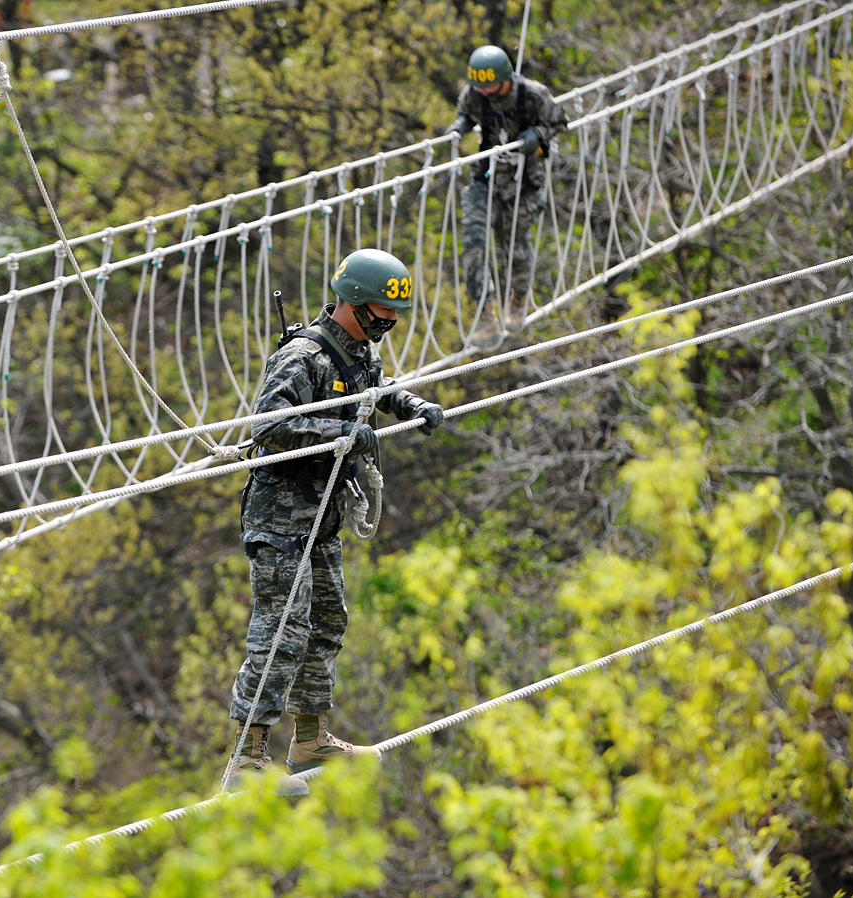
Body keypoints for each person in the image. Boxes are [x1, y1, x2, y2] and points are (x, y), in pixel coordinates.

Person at [223, 248, 446, 794]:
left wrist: (411, 404)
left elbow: (378, 387)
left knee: (327, 621)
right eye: (378, 311)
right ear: (351, 302)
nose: (387, 322)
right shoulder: (304, 357)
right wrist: (338, 435)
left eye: (393, 315)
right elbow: (269, 426)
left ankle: (310, 736)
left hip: (323, 518)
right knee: (281, 632)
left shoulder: (358, 353)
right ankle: (247, 762)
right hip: (282, 522)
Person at [446, 44, 568, 337]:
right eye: (481, 87)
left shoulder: (533, 94)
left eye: (491, 86)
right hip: (485, 180)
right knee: (474, 241)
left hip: (523, 183)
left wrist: (536, 135)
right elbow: (466, 114)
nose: (485, 92)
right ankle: (484, 313)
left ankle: (517, 298)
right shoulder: (477, 92)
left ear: (506, 77)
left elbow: (560, 121)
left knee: (514, 246)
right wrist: (458, 128)